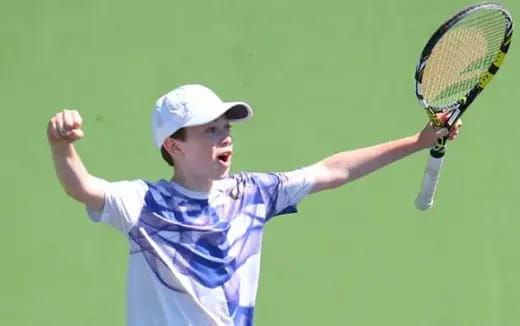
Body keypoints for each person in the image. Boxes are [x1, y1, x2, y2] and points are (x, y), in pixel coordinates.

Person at [47, 84, 461, 326]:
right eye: (210, 130)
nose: (225, 138)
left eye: (226, 128)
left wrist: (417, 142)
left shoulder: (252, 194)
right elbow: (82, 187)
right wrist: (61, 146)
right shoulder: (144, 203)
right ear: (174, 146)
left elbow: (332, 171)